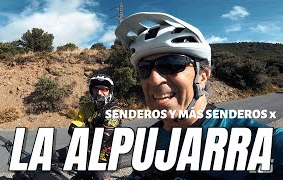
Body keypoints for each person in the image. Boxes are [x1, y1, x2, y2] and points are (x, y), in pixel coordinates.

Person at [115, 12, 283, 179]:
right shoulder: (150, 140)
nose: (153, 79)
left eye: (171, 64)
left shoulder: (261, 142)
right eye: (144, 69)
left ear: (203, 75)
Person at [58, 74, 122, 180]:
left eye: (104, 89)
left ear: (109, 92)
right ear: (91, 90)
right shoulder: (87, 107)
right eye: (96, 89)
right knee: (53, 157)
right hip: (86, 149)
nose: (99, 92)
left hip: (104, 154)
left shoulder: (114, 109)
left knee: (100, 177)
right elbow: (74, 126)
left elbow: (105, 136)